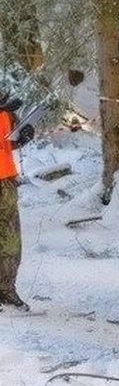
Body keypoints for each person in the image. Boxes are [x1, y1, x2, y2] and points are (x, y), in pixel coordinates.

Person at [0, 90, 36, 311]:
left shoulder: (5, 111)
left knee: (10, 240)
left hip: (6, 181)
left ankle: (6, 289)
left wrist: (23, 135)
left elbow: (10, 141)